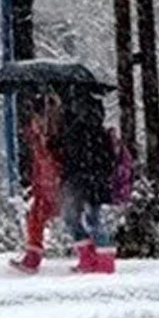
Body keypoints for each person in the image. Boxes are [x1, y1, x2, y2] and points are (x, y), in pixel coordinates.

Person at [55, 89, 116, 274]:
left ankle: (92, 259)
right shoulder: (102, 134)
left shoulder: (76, 132)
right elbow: (109, 160)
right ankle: (102, 260)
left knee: (74, 218)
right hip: (95, 181)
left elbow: (68, 157)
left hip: (78, 182)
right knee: (92, 219)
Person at [10, 93, 62, 274]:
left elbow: (47, 161)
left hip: (50, 184)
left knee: (36, 220)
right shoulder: (41, 136)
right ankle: (32, 258)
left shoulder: (48, 137)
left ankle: (33, 259)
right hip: (46, 184)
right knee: (35, 220)